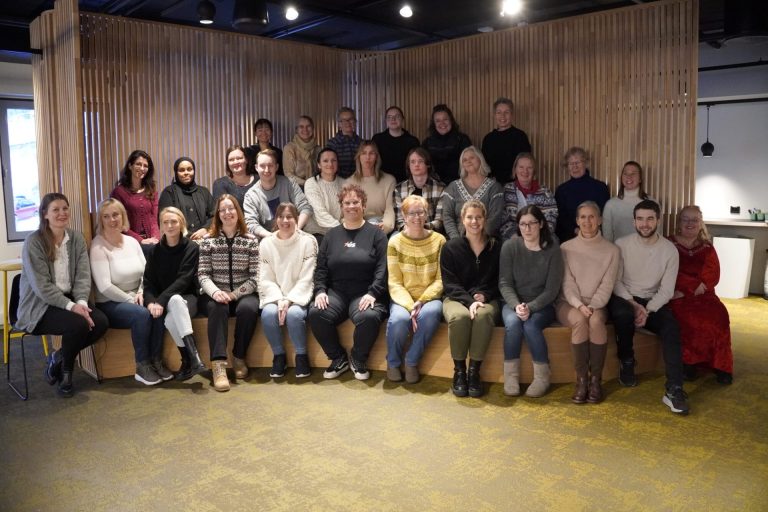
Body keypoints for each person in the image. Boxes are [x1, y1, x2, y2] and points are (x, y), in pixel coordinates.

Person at [17, 193, 109, 397]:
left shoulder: (76, 238)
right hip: (40, 305)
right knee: (78, 324)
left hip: (71, 301)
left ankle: (58, 357)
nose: (62, 213)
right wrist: (74, 308)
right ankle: (67, 372)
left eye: (65, 208)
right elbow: (42, 287)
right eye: (56, 210)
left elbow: (83, 277)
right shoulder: (34, 242)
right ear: (45, 214)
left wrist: (82, 303)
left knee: (100, 322)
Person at [608, 199, 689, 414]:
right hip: (625, 297)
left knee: (671, 328)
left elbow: (667, 290)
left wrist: (648, 310)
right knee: (623, 315)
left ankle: (674, 389)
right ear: (634, 222)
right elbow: (615, 281)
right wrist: (634, 305)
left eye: (650, 219)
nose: (645, 224)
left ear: (658, 221)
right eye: (640, 219)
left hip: (653, 301)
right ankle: (627, 361)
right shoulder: (621, 244)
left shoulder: (670, 250)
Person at [308, 184, 389, 381]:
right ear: (341, 206)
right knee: (316, 313)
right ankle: (338, 359)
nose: (351, 206)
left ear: (363, 205)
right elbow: (321, 268)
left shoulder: (376, 234)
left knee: (369, 316)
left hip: (366, 291)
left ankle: (358, 359)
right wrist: (320, 291)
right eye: (347, 203)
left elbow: (383, 268)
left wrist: (373, 293)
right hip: (337, 292)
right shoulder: (331, 236)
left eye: (356, 202)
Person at [92, 199, 167, 385]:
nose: (112, 220)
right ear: (101, 220)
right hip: (110, 302)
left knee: (157, 307)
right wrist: (130, 298)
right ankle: (142, 366)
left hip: (137, 295)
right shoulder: (97, 246)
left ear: (122, 216)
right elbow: (104, 286)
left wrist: (142, 292)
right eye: (106, 216)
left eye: (115, 215)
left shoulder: (132, 242)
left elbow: (146, 273)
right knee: (141, 314)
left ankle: (156, 360)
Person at [556, 201, 620, 403]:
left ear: (600, 220)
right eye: (582, 217)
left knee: (595, 321)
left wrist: (593, 305)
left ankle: (595, 380)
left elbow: (607, 283)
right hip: (569, 302)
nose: (587, 221)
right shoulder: (565, 248)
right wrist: (579, 305)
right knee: (579, 321)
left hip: (597, 304)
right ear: (577, 221)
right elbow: (567, 282)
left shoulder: (612, 250)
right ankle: (581, 380)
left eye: (592, 216)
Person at [499, 205, 563, 398]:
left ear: (541, 224)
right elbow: (504, 283)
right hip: (513, 302)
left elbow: (552, 289)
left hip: (542, 304)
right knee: (513, 323)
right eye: (523, 224)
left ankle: (542, 377)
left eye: (532, 224)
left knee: (531, 326)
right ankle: (510, 377)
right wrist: (516, 305)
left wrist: (531, 307)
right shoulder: (510, 247)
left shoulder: (553, 250)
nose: (527, 229)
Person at [198, 195, 260, 392]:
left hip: (241, 293)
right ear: (218, 214)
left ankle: (239, 356)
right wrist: (216, 292)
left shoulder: (250, 241)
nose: (227, 213)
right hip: (214, 294)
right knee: (217, 308)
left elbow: (255, 278)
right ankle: (218, 365)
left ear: (237, 212)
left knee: (250, 308)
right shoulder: (208, 241)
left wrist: (234, 294)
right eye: (222, 210)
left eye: (231, 208)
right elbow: (203, 274)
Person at [440, 200, 501, 398]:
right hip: (456, 298)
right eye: (470, 217)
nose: (474, 221)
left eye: (478, 217)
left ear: (484, 219)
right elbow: (450, 284)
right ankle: (459, 372)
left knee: (482, 316)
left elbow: (500, 280)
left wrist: (485, 295)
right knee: (460, 317)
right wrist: (469, 301)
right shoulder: (450, 248)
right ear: (462, 220)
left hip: (487, 299)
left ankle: (474, 372)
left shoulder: (496, 247)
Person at [668, 205, 733, 384]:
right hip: (676, 294)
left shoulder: (707, 247)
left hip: (703, 295)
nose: (690, 223)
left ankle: (722, 366)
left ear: (700, 223)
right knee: (688, 319)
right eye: (685, 219)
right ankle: (690, 364)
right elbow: (668, 270)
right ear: (679, 222)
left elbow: (713, 274)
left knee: (719, 317)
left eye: (694, 220)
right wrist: (690, 286)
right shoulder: (668, 243)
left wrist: (697, 287)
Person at [386, 195, 446, 383]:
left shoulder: (439, 240)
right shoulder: (394, 242)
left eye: (421, 212)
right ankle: (393, 363)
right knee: (398, 320)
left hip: (429, 298)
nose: (417, 217)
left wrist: (422, 301)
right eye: (412, 213)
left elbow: (441, 279)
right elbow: (394, 282)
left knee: (431, 314)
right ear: (403, 216)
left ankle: (411, 361)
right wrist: (410, 305)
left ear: (427, 213)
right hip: (403, 298)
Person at [143, 207, 206, 383]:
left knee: (175, 302)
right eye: (165, 222)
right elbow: (148, 283)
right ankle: (191, 360)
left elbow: (183, 280)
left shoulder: (191, 247)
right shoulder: (154, 251)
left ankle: (191, 359)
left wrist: (161, 301)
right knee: (170, 318)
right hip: (167, 302)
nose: (170, 226)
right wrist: (150, 303)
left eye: (174, 221)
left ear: (181, 224)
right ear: (161, 226)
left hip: (188, 299)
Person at [259, 203, 318, 379]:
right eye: (281, 217)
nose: (285, 221)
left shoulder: (308, 241)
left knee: (294, 315)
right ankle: (279, 356)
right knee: (268, 314)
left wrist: (290, 299)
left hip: (300, 295)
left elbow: (308, 277)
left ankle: (301, 356)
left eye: (290, 217)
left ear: (297, 219)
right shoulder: (266, 243)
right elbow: (266, 278)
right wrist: (279, 299)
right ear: (276, 219)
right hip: (275, 295)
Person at [243, 149, 312, 239]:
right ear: (256, 167)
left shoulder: (289, 183)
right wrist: (273, 237)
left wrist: (296, 230)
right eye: (262, 166)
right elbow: (251, 224)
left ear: (276, 167)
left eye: (270, 165)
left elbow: (305, 208)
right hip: (268, 240)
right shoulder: (251, 195)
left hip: (294, 235)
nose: (266, 170)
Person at [441, 146, 504, 240]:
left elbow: (495, 218)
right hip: (459, 241)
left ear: (480, 159)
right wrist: (457, 241)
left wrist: (478, 240)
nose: (468, 161)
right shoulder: (453, 187)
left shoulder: (494, 187)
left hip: (486, 241)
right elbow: (447, 216)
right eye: (464, 160)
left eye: (472, 158)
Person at [554, 147, 610, 243]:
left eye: (578, 162)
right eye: (571, 163)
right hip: (569, 239)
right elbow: (561, 217)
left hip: (595, 238)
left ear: (586, 163)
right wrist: (577, 230)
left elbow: (603, 215)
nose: (575, 166)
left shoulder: (600, 187)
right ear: (567, 166)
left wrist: (588, 231)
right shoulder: (561, 190)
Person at [499, 152, 557, 240]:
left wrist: (538, 236)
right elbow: (502, 219)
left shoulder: (545, 191)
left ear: (534, 171)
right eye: (521, 167)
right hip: (514, 236)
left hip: (540, 235)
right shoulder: (506, 190)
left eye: (529, 168)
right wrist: (516, 236)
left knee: (554, 242)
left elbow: (551, 216)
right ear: (515, 170)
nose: (525, 171)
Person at [110, 149, 160, 250]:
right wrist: (140, 240)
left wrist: (155, 239)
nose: (142, 168)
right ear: (130, 166)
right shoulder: (118, 192)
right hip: (128, 241)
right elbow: (119, 224)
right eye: (138, 164)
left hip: (151, 241)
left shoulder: (151, 189)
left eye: (145, 166)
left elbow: (154, 218)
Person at [343, 141, 396, 234]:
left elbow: (390, 210)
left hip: (381, 228)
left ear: (376, 157)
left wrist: (384, 227)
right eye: (363, 153)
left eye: (371, 153)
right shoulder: (348, 183)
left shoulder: (389, 180)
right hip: (357, 228)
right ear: (358, 157)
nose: (367, 157)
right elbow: (345, 214)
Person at [158, 156, 215, 240]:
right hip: (178, 241)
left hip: (204, 239)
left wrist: (205, 229)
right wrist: (187, 235)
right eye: (181, 170)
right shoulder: (169, 192)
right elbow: (164, 220)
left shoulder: (204, 192)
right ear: (176, 172)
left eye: (189, 169)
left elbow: (214, 215)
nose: (186, 172)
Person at [480, 97, 532, 184]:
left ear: (512, 115)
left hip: (516, 185)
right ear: (494, 115)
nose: (502, 116)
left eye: (506, 112)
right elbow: (484, 165)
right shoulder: (488, 139)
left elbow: (526, 163)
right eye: (499, 112)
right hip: (493, 185)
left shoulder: (520, 136)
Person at [393, 147, 445, 233]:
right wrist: (412, 230)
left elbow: (440, 221)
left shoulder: (440, 188)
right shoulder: (399, 189)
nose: (416, 164)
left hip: (431, 232)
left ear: (427, 164)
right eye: (412, 162)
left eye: (420, 161)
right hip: (406, 232)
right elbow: (399, 221)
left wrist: (422, 228)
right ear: (408, 166)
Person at [422, 104, 472, 184]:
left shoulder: (462, 140)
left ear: (451, 120)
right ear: (434, 124)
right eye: (438, 121)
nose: (442, 123)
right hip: (433, 187)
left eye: (445, 119)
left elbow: (470, 166)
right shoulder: (427, 143)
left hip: (459, 185)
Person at [602, 161, 651, 242]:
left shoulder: (652, 203)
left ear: (640, 179)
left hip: (646, 253)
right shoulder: (611, 205)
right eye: (625, 174)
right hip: (618, 253)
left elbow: (657, 236)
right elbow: (607, 239)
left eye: (633, 173)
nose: (629, 176)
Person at [371, 105, 420, 183]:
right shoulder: (377, 139)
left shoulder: (412, 141)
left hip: (406, 183)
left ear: (402, 119)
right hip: (382, 182)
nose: (393, 119)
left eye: (397, 116)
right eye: (389, 117)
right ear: (386, 121)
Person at [304, 147, 343, 242]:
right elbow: (320, 214)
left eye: (333, 160)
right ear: (319, 165)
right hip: (317, 233)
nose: (330, 164)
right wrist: (343, 230)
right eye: (325, 161)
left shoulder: (344, 183)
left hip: (339, 231)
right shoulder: (311, 183)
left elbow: (345, 213)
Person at [212, 145, 259, 209]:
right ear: (227, 163)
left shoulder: (259, 180)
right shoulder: (220, 184)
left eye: (239, 158)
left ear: (246, 160)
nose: (235, 162)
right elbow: (222, 212)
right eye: (231, 160)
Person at [282, 115, 321, 188]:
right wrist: (308, 184)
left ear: (313, 128)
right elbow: (288, 174)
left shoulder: (318, 149)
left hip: (317, 187)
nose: (305, 129)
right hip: (296, 188)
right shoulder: (289, 148)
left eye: (308, 126)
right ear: (296, 130)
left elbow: (322, 172)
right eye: (301, 127)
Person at [327, 107, 363, 179]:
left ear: (355, 121)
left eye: (350, 119)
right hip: (338, 182)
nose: (347, 122)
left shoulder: (361, 143)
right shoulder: (332, 143)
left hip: (359, 181)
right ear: (339, 124)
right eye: (343, 120)